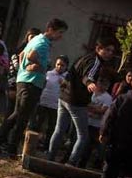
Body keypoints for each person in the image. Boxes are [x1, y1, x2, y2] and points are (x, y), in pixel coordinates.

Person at [0, 18, 68, 157]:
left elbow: (21, 55)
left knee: (19, 114)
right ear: (51, 30)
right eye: (60, 32)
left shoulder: (37, 39)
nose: (61, 36)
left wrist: (23, 71)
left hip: (25, 81)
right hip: (31, 83)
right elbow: (31, 57)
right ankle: (7, 146)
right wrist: (37, 67)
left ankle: (2, 143)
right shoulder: (43, 43)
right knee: (21, 116)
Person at [47, 37, 117, 167]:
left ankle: (49, 158)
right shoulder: (96, 62)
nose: (110, 53)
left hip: (64, 97)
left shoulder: (83, 57)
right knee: (83, 135)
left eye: (112, 51)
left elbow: (70, 73)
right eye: (107, 50)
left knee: (59, 130)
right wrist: (90, 83)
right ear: (98, 49)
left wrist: (65, 87)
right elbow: (88, 76)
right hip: (75, 101)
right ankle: (71, 163)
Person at [29, 56, 69, 151]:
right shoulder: (49, 73)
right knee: (37, 124)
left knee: (51, 127)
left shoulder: (67, 78)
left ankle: (47, 147)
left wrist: (65, 84)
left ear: (66, 66)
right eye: (58, 64)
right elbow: (42, 85)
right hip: (44, 102)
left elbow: (69, 92)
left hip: (56, 106)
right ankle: (32, 144)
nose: (59, 67)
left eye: (62, 65)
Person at [5, 28, 41, 120]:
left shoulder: (39, 53)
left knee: (22, 116)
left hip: (29, 89)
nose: (33, 40)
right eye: (32, 37)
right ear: (27, 38)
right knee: (11, 113)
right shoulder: (18, 53)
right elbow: (12, 72)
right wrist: (12, 88)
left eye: (36, 38)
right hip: (15, 86)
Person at [80, 74, 113, 169]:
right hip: (86, 122)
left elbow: (102, 110)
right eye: (100, 83)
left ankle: (91, 164)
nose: (102, 86)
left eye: (105, 84)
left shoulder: (107, 98)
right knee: (83, 144)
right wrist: (95, 108)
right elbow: (84, 103)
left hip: (97, 126)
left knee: (91, 146)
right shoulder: (91, 92)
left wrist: (90, 107)